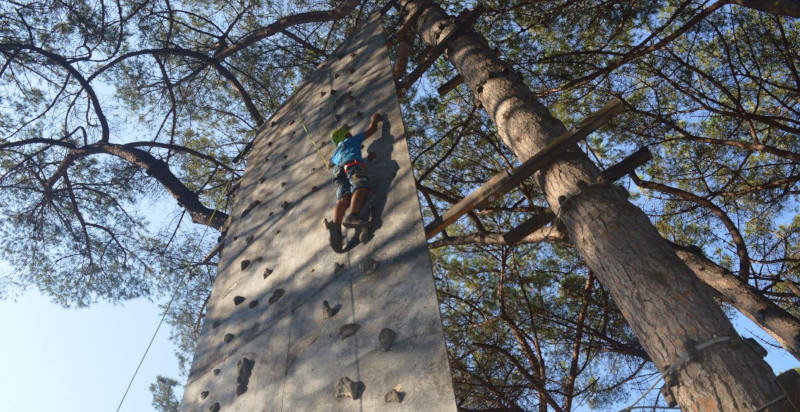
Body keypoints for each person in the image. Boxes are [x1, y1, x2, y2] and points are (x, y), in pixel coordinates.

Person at [323, 113, 383, 252]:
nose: (351, 134)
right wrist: (374, 119)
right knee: (360, 186)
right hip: (352, 166)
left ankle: (335, 226)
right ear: (345, 136)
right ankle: (353, 216)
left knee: (344, 198)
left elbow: (329, 164)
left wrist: (330, 162)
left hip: (338, 173)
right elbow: (371, 130)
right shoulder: (351, 141)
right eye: (348, 133)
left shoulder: (336, 153)